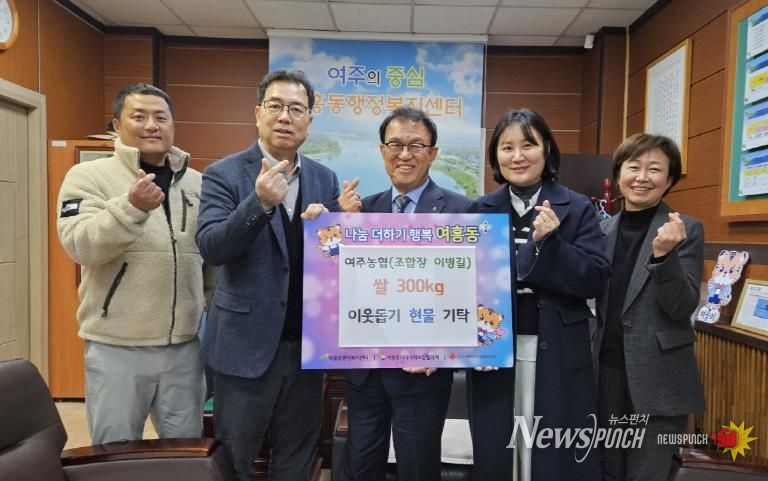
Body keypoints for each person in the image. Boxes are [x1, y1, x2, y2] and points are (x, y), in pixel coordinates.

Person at [195, 69, 339, 481]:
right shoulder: (224, 173)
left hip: (306, 348)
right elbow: (212, 247)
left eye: (296, 109)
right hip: (245, 347)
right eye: (275, 106)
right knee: (236, 460)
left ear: (309, 120)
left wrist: (332, 231)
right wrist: (257, 204)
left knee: (296, 458)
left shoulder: (323, 178)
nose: (285, 117)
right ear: (258, 113)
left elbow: (332, 264)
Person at [56, 83, 205, 444]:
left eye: (161, 117)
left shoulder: (197, 183)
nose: (151, 125)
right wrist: (131, 208)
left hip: (183, 348)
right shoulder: (88, 176)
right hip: (117, 346)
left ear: (173, 124)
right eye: (139, 116)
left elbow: (209, 258)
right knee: (115, 453)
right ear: (116, 125)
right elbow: (80, 245)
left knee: (185, 451)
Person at [468, 108, 610, 481]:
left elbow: (595, 278)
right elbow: (464, 286)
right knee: (497, 449)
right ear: (496, 157)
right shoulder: (480, 209)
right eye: (507, 147)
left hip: (557, 348)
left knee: (553, 455)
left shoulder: (576, 207)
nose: (517, 156)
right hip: (495, 351)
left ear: (547, 149)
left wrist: (552, 244)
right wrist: (470, 341)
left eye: (528, 145)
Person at [337, 107, 472, 481]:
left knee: (418, 468)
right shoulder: (360, 210)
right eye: (395, 144)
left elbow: (468, 293)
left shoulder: (461, 212)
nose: (405, 154)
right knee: (360, 467)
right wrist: (336, 226)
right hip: (365, 369)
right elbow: (338, 285)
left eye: (416, 145)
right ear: (382, 151)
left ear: (433, 153)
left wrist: (440, 347)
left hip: (422, 370)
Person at [595, 133, 705, 481]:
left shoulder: (684, 229)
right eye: (634, 167)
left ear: (669, 180)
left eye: (654, 169)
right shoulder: (601, 231)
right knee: (608, 471)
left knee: (648, 474)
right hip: (605, 373)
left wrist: (664, 257)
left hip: (659, 377)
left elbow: (682, 307)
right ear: (618, 175)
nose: (642, 177)